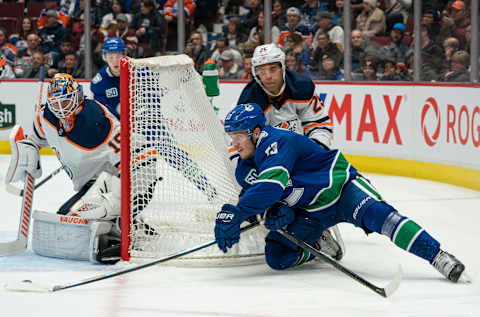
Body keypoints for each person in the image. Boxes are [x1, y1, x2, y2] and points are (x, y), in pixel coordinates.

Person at [215, 102, 468, 283]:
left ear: (256, 132)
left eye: (238, 136)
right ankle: (318, 244)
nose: (234, 144)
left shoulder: (278, 141)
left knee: (382, 217)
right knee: (277, 256)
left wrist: (237, 213)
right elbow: (261, 200)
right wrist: (274, 212)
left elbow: (269, 187)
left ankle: (438, 256)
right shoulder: (243, 168)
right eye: (231, 137)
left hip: (342, 190)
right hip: (311, 213)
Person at [236, 43, 344, 260]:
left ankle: (317, 229)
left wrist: (315, 158)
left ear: (283, 67)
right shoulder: (250, 100)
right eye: (262, 71)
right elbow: (243, 148)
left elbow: (319, 125)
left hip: (303, 158)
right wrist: (261, 180)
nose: (268, 76)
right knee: (253, 200)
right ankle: (289, 228)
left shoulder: (301, 88)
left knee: (308, 191)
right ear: (255, 73)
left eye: (273, 69)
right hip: (271, 163)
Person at [5, 73, 123, 263]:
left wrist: (120, 200)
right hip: (87, 184)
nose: (61, 109)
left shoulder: (100, 121)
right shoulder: (46, 116)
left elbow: (127, 166)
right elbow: (33, 137)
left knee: (75, 221)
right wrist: (29, 152)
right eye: (56, 103)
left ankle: (123, 228)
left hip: (107, 181)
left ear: (78, 97)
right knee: (66, 219)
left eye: (66, 102)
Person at [90, 37, 125, 119]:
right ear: (104, 57)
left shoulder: (135, 73)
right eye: (110, 57)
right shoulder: (99, 82)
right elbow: (102, 110)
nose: (115, 61)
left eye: (118, 56)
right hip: (114, 125)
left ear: (124, 55)